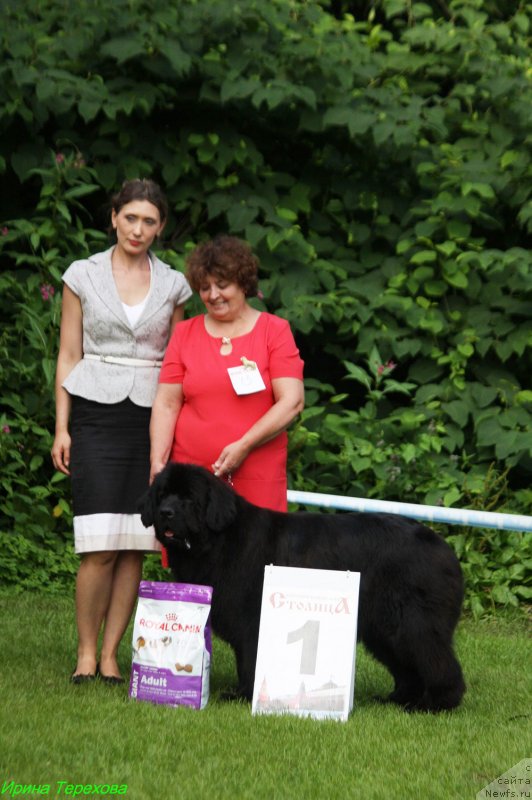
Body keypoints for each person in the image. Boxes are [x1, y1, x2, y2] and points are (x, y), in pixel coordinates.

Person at [51, 179, 192, 684]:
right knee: (98, 543)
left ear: (160, 228)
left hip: (151, 416)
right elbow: (69, 354)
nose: (138, 229)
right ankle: (86, 653)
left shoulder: (175, 283)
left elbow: (176, 361)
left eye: (149, 221)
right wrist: (61, 427)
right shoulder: (81, 275)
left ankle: (112, 655)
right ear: (113, 218)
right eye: (130, 217)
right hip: (93, 413)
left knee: (134, 542)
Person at [149, 235, 305, 548]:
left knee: (256, 559)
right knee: (193, 563)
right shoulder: (184, 333)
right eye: (205, 287)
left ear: (243, 283)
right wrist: (158, 463)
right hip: (190, 481)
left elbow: (292, 402)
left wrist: (244, 445)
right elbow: (167, 403)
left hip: (256, 470)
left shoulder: (274, 331)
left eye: (222, 285)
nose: (213, 295)